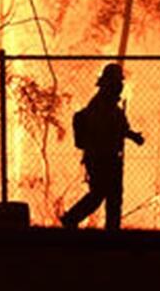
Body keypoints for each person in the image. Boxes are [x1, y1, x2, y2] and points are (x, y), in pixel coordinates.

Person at [61, 62, 144, 229]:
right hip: (101, 157)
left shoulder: (109, 105)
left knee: (112, 197)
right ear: (109, 84)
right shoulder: (100, 105)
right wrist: (131, 135)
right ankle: (71, 218)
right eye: (117, 82)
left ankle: (107, 230)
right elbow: (109, 128)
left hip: (109, 157)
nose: (119, 86)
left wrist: (131, 135)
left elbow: (119, 128)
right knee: (100, 195)